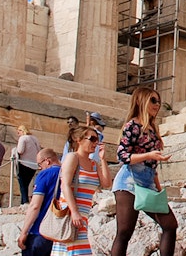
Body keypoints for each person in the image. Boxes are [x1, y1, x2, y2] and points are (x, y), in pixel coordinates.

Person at [111, 88, 177, 256]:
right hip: (128, 182)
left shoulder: (153, 129)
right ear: (142, 101)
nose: (157, 105)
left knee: (170, 225)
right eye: (153, 101)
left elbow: (152, 165)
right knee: (125, 232)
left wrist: (159, 188)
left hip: (148, 181)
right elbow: (122, 155)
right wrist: (149, 155)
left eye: (158, 101)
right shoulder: (132, 126)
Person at [54, 127, 112, 256]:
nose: (95, 143)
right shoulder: (72, 157)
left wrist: (103, 159)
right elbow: (65, 185)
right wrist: (74, 211)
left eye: (97, 139)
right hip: (70, 214)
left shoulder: (93, 163)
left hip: (83, 217)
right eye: (92, 139)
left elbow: (107, 184)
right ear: (79, 140)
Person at [17, 149, 61, 256]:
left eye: (39, 164)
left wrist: (24, 232)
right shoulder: (69, 174)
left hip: (40, 231)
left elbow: (35, 206)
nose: (39, 168)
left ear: (47, 161)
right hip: (60, 234)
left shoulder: (45, 174)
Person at [15, 125, 42, 205]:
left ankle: (25, 202)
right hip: (33, 165)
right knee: (26, 184)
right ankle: (23, 202)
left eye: (19, 131)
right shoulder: (34, 138)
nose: (18, 133)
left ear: (22, 131)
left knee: (22, 184)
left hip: (23, 163)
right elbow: (39, 151)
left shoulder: (23, 138)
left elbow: (20, 151)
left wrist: (15, 150)